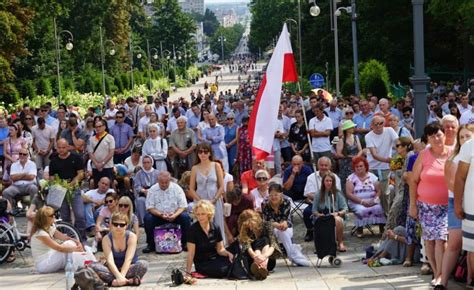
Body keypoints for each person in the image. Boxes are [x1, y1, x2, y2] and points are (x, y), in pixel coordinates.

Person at [409, 122, 452, 287]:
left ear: (444, 135)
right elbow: (413, 180)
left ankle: (441, 275)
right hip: (425, 205)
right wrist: (413, 205)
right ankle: (436, 272)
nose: (436, 138)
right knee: (429, 240)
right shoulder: (424, 154)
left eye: (439, 134)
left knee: (441, 239)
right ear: (427, 139)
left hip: (446, 205)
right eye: (432, 136)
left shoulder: (451, 153)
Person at [439, 124, 474, 288]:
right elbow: (456, 181)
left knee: (470, 247)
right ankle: (443, 280)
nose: (465, 139)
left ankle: (469, 281)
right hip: (463, 204)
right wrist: (461, 201)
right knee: (462, 246)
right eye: (462, 136)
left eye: (468, 135)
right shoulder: (460, 153)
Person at [89, 212, 148, 287]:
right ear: (111, 224)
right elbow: (110, 261)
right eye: (115, 224)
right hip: (112, 270)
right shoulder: (106, 239)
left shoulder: (132, 237)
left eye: (122, 225)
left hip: (129, 267)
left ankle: (114, 282)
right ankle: (128, 281)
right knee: (93, 266)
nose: (118, 227)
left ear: (126, 226)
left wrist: (121, 277)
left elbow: (128, 259)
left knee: (143, 264)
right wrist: (118, 276)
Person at [262, 183, 310, 266]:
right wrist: (276, 225)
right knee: (278, 231)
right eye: (271, 195)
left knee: (283, 232)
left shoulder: (287, 201)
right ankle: (294, 256)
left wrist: (283, 224)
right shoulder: (265, 203)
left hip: (285, 227)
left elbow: (286, 218)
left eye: (276, 195)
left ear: (281, 194)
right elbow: (267, 219)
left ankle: (292, 256)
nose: (273, 197)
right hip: (270, 227)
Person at [142, 171, 191, 253]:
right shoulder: (152, 190)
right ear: (158, 181)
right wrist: (161, 214)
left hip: (175, 214)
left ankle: (185, 242)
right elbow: (150, 207)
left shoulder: (177, 188)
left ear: (169, 180)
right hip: (158, 215)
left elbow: (183, 206)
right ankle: (151, 244)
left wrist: (175, 215)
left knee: (186, 217)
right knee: (148, 218)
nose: (164, 184)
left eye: (166, 183)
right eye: (162, 183)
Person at [189, 143, 226, 244]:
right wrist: (201, 201)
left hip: (214, 199)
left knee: (217, 223)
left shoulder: (216, 165)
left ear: (210, 153)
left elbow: (221, 186)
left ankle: (219, 246)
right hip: (200, 200)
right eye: (200, 152)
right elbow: (191, 189)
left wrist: (214, 200)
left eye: (205, 152)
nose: (203, 154)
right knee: (201, 224)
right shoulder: (194, 168)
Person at [49, 138, 86, 240]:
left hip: (74, 188)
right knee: (65, 216)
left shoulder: (76, 157)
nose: (61, 150)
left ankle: (82, 238)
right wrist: (57, 184)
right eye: (59, 148)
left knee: (80, 215)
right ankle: (69, 238)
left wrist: (73, 182)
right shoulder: (54, 161)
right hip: (60, 190)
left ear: (68, 147)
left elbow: (81, 173)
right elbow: (51, 177)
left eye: (63, 147)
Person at [186, 200, 233, 278]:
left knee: (234, 255)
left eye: (203, 214)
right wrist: (187, 273)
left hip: (216, 258)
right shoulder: (192, 230)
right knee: (223, 270)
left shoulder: (216, 227)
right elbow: (191, 254)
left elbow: (220, 249)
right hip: (202, 263)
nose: (200, 217)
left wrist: (229, 254)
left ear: (209, 214)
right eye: (198, 214)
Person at [30, 206, 84, 273]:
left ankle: (77, 266)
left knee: (69, 242)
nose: (54, 216)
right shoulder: (41, 233)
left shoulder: (49, 228)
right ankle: (76, 267)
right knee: (68, 244)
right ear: (45, 218)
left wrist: (78, 243)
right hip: (44, 264)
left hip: (50, 257)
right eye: (52, 215)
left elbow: (65, 238)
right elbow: (59, 248)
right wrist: (76, 249)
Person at [346, 156, 386, 238]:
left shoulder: (372, 177)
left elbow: (379, 191)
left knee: (379, 208)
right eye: (356, 166)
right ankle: (359, 230)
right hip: (356, 202)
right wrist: (362, 202)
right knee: (361, 210)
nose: (359, 168)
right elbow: (349, 194)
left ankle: (382, 230)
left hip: (372, 201)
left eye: (361, 166)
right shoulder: (350, 178)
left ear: (365, 166)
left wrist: (374, 201)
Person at [365, 115, 398, 214]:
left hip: (385, 167)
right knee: (372, 193)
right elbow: (374, 155)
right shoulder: (368, 136)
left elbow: (398, 143)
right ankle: (375, 215)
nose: (379, 126)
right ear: (371, 125)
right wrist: (389, 161)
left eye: (381, 123)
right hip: (372, 167)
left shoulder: (389, 131)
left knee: (385, 193)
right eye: (376, 124)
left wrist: (400, 156)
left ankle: (386, 214)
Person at [302, 157, 341, 241]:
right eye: (321, 165)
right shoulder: (311, 177)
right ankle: (310, 230)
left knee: (334, 214)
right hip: (315, 204)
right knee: (307, 212)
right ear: (317, 166)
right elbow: (308, 193)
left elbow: (337, 193)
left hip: (331, 204)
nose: (323, 167)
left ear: (330, 166)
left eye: (326, 165)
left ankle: (334, 233)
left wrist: (322, 196)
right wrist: (321, 197)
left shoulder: (335, 178)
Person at [312, 173, 348, 252]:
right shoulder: (318, 194)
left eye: (330, 181)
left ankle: (340, 243)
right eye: (327, 181)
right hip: (322, 216)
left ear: (333, 182)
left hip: (335, 215)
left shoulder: (337, 193)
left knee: (338, 220)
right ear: (323, 182)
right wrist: (319, 214)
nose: (328, 183)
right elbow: (314, 210)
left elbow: (345, 209)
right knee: (321, 221)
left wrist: (338, 213)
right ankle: (322, 245)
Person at [238, 209, 278, 280]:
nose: (250, 227)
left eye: (251, 224)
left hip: (268, 259)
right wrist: (255, 257)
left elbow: (273, 244)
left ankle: (263, 267)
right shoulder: (244, 230)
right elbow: (248, 247)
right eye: (248, 225)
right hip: (252, 260)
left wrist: (263, 256)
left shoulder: (267, 225)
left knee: (264, 239)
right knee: (256, 242)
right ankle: (261, 269)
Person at [385, 137, 412, 230]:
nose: (396, 148)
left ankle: (387, 237)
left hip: (405, 190)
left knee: (394, 211)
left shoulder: (409, 156)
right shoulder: (401, 157)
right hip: (401, 189)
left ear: (405, 147)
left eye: (398, 146)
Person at [335, 119, 362, 195]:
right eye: (351, 127)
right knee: (346, 182)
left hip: (355, 163)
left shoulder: (356, 137)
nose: (353, 129)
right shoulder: (341, 140)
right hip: (345, 164)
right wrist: (348, 157)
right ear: (347, 129)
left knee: (357, 181)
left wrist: (357, 157)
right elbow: (338, 154)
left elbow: (360, 150)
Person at [88, 119, 115, 187]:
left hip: (107, 166)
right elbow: (90, 153)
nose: (98, 128)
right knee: (97, 186)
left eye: (100, 126)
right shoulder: (91, 139)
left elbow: (111, 153)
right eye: (96, 127)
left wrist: (102, 164)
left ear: (104, 127)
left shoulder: (110, 138)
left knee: (108, 187)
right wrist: (97, 164)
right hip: (95, 167)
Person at [133, 155, 160, 226]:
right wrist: (143, 191)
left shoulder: (157, 173)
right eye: (144, 162)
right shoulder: (139, 173)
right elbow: (137, 185)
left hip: (154, 193)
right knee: (140, 201)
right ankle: (143, 222)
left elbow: (158, 184)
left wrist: (151, 191)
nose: (146, 164)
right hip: (143, 193)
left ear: (151, 163)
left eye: (148, 162)